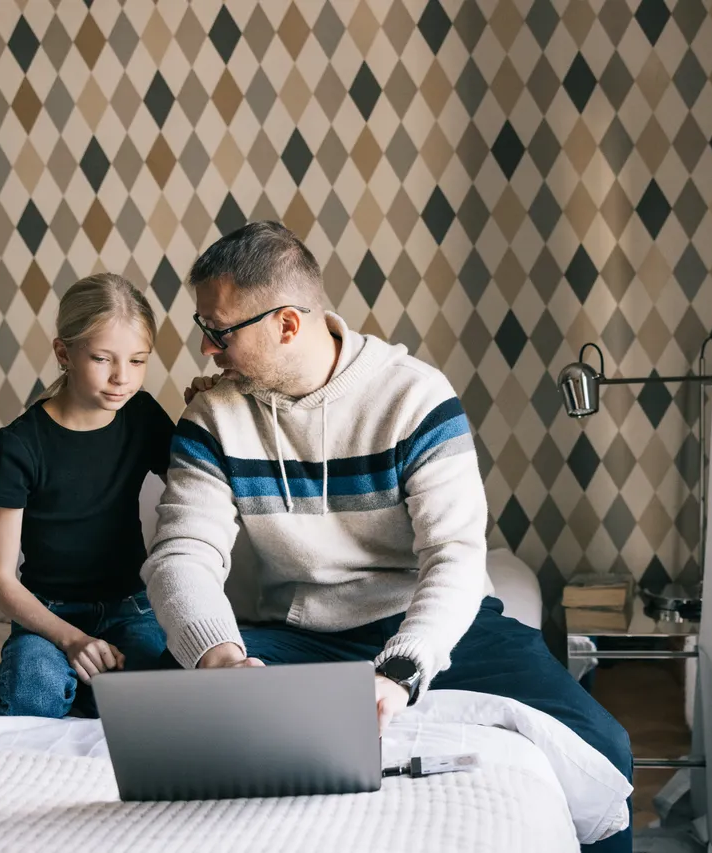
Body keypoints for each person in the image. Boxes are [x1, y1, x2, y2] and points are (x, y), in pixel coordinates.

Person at [144, 221, 633, 852]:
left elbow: (455, 555)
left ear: (287, 324)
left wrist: (402, 668)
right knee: (151, 707)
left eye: (219, 330)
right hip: (301, 635)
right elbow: (182, 552)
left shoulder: (415, 398)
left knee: (605, 743)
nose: (207, 349)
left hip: (434, 624)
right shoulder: (213, 415)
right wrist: (221, 659)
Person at [0, 273, 175, 718]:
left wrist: (213, 401)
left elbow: (200, 484)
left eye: (138, 361)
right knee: (34, 693)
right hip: (48, 614)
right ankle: (53, 677)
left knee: (160, 699)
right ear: (63, 353)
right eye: (103, 358)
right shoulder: (18, 445)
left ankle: (90, 686)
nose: (122, 378)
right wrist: (71, 640)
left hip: (130, 606)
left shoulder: (141, 417)